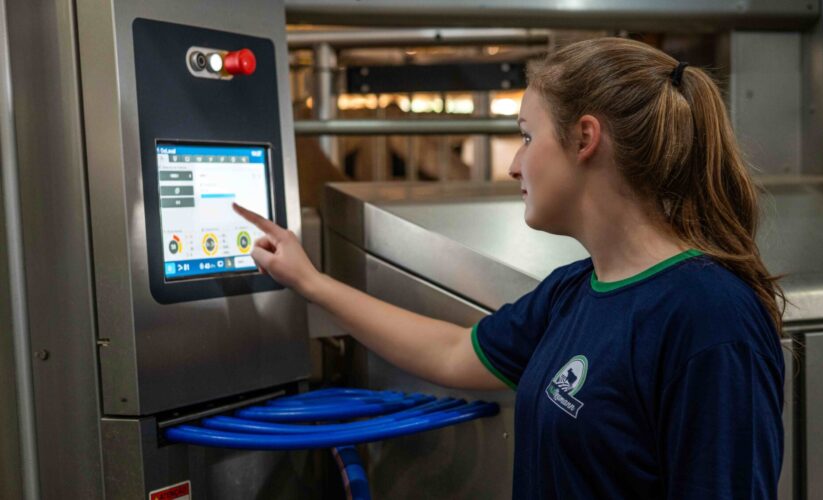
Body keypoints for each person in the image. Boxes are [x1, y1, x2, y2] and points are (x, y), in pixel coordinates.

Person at [233, 37, 785, 500]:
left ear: (585, 139)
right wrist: (312, 283)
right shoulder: (576, 289)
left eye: (526, 136)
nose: (515, 165)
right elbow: (452, 351)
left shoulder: (711, 319)